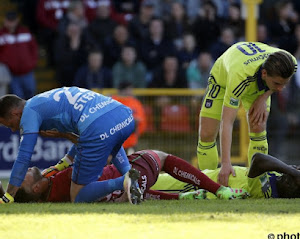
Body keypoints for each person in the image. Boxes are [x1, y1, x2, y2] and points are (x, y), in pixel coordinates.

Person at [0, 87, 142, 204]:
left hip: (99, 127)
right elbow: (85, 134)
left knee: (78, 196)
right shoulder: (42, 101)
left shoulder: (28, 114)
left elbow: (23, 157)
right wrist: (66, 159)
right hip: (124, 116)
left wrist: (9, 196)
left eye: (10, 125)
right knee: (109, 139)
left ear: (15, 113)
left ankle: (123, 181)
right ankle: (130, 178)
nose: (13, 130)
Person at [197, 41, 297, 187]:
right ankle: (207, 184)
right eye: (277, 84)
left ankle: (258, 184)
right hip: (224, 79)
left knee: (258, 127)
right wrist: (226, 164)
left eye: (284, 84)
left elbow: (278, 82)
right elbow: (227, 122)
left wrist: (264, 97)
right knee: (207, 134)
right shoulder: (240, 76)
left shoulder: (290, 62)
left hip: (259, 83)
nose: (281, 89)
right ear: (264, 74)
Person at [11, 149, 249, 203]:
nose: (23, 172)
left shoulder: (52, 192)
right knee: (162, 158)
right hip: (134, 170)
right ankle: (220, 190)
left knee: (136, 190)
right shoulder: (61, 179)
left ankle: (181, 198)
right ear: (36, 189)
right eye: (22, 179)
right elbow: (88, 149)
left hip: (122, 193)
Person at [153, 152, 300, 199]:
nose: (293, 171)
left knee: (144, 182)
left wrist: (292, 172)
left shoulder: (266, 191)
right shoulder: (276, 176)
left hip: (190, 185)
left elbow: (259, 159)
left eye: (294, 179)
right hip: (199, 176)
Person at [0, 11, 38, 100]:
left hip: (28, 71)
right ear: (5, 21)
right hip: (12, 73)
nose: (11, 23)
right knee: (18, 97)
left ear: (17, 21)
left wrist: (32, 63)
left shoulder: (25, 32)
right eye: (9, 20)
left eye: (13, 20)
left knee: (31, 94)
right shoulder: (1, 35)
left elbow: (34, 49)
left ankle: (30, 114)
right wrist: (6, 63)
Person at [112, 82, 147, 154]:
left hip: (131, 141)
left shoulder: (134, 102)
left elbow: (141, 121)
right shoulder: (112, 101)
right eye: (129, 90)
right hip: (114, 142)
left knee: (130, 162)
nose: (131, 92)